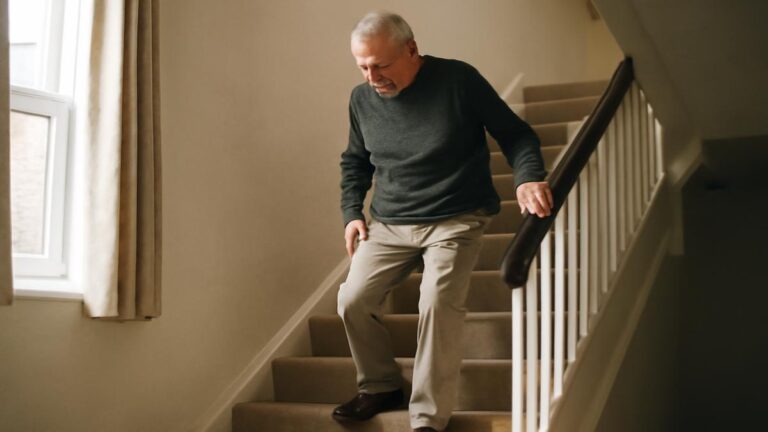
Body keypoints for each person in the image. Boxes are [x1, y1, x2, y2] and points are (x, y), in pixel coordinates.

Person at [334, 11, 554, 432]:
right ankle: (380, 385)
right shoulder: (361, 100)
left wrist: (527, 178)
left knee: (437, 302)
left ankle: (426, 419)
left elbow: (516, 133)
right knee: (352, 300)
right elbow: (354, 162)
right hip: (389, 222)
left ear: (411, 49)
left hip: (456, 217)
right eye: (362, 66)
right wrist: (351, 214)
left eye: (380, 64)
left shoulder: (458, 81)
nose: (372, 76)